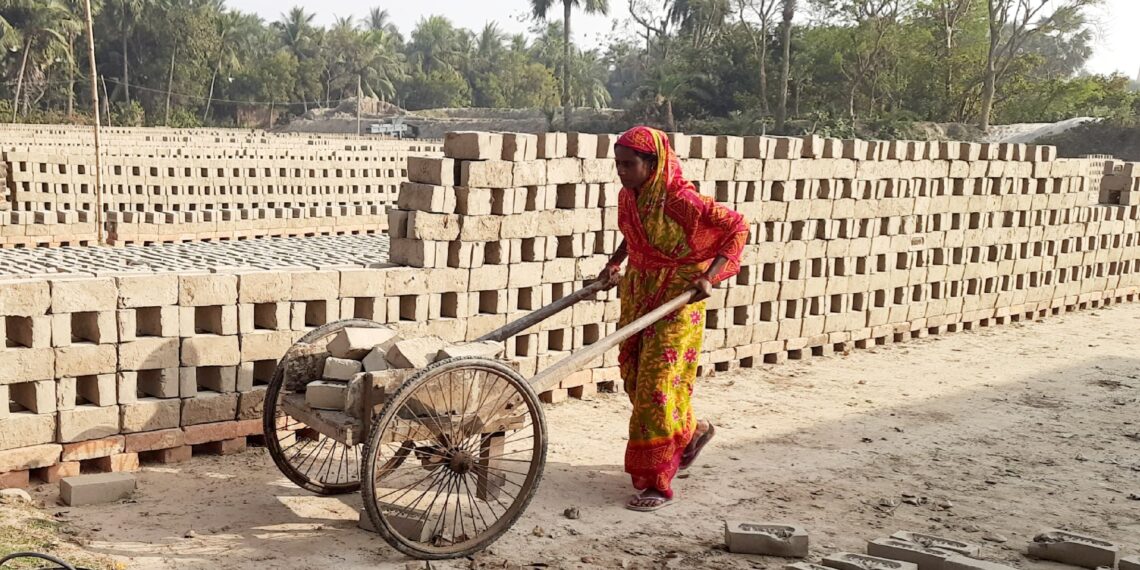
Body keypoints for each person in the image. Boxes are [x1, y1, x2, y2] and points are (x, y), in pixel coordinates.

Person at [596, 126, 750, 512]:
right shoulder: (629, 196)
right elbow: (636, 235)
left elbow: (736, 228)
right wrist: (614, 264)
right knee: (635, 377)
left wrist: (710, 276)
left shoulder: (682, 200)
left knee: (658, 387)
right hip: (640, 292)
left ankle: (657, 481)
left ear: (653, 164)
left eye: (629, 164)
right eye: (618, 164)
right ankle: (693, 432)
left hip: (678, 298)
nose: (621, 171)